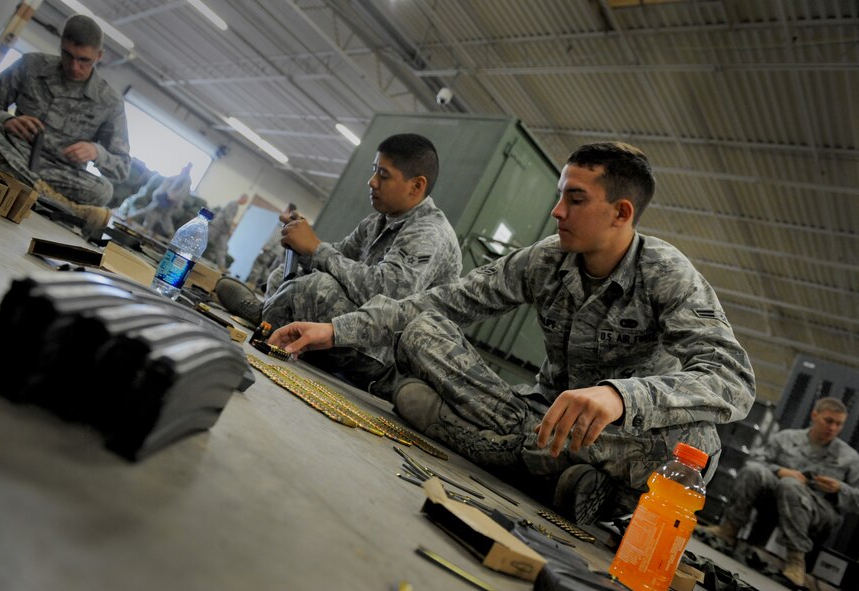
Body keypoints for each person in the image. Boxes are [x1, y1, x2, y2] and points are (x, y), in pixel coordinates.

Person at [267, 142, 756, 524]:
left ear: (622, 212)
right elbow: (444, 301)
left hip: (616, 439)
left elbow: (733, 381)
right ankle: (542, 466)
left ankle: (486, 445)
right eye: (560, 195)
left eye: (575, 199)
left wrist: (620, 397)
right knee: (421, 328)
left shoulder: (665, 272)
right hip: (537, 416)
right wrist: (336, 330)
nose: (557, 211)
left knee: (695, 442)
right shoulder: (548, 258)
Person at [221, 133, 462, 398]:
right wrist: (302, 242)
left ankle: (264, 318)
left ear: (416, 186)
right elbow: (336, 258)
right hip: (356, 326)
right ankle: (272, 318)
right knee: (287, 272)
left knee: (318, 288)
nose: (372, 182)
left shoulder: (429, 232)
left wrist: (316, 248)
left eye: (383, 174)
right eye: (374, 171)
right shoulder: (376, 222)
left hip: (385, 353)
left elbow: (386, 296)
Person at [0, 15, 130, 229]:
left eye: (84, 60)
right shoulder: (32, 65)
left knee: (103, 190)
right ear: (61, 45)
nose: (74, 66)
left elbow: (122, 168)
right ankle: (52, 201)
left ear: (99, 56)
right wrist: (5, 120)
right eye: (68, 55)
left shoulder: (110, 101)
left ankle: (27, 186)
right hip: (12, 148)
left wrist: (96, 152)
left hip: (58, 172)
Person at [698, 397, 859, 587]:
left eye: (839, 424)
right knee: (754, 471)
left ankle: (796, 561)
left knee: (790, 485)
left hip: (819, 511)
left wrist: (840, 488)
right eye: (829, 421)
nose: (833, 428)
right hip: (776, 498)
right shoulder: (787, 438)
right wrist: (780, 471)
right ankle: (728, 529)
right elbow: (755, 460)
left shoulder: (849, 458)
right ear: (815, 415)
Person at [119, 163, 193, 238]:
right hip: (163, 197)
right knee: (154, 212)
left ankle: (146, 227)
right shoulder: (178, 177)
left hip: (169, 200)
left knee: (157, 214)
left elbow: (181, 192)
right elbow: (166, 185)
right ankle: (136, 221)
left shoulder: (186, 180)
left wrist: (171, 198)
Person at [246, 202, 298, 290]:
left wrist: (267, 246)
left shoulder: (285, 222)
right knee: (266, 269)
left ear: (289, 211)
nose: (283, 210)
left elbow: (276, 236)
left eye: (286, 209)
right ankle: (265, 288)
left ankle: (251, 283)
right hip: (277, 251)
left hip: (271, 248)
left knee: (259, 263)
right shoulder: (291, 224)